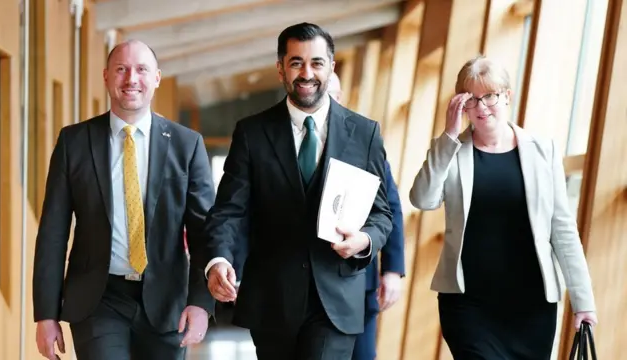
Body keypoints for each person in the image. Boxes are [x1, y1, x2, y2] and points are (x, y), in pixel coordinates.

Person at [201, 22, 393, 359]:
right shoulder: (252, 133)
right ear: (280, 69)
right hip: (273, 301)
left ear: (331, 67)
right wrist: (218, 260)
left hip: (334, 301)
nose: (307, 73)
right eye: (296, 63)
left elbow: (381, 213)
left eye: (317, 63)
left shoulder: (364, 134)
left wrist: (365, 241)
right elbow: (228, 210)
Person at [32, 40, 216, 360]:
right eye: (121, 69)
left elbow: (203, 232)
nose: (131, 78)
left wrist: (201, 303)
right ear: (106, 77)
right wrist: (46, 315)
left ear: (156, 78)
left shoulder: (187, 145)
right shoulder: (74, 142)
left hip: (166, 301)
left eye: (141, 70)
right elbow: (53, 232)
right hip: (98, 298)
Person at [409, 55, 597, 359]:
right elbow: (423, 199)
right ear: (461, 104)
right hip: (469, 303)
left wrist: (583, 301)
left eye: (490, 97)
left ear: (507, 96)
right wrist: (448, 137)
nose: (481, 107)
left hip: (531, 306)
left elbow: (562, 228)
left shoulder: (542, 150)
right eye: (472, 99)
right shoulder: (450, 150)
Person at [327, 72, 406, 360]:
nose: (329, 102)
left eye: (334, 96)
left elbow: (391, 207)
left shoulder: (364, 141)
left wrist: (392, 269)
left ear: (341, 99)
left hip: (359, 280)